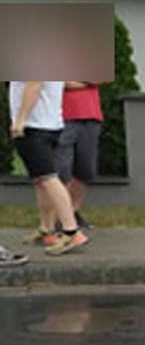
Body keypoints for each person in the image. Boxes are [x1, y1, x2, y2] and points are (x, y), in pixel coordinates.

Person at [10, 81, 88, 255]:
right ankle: (47, 229)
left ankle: (71, 231)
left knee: (48, 178)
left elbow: (34, 85)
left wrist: (20, 120)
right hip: (51, 124)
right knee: (41, 179)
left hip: (34, 125)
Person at [55, 80, 104, 229]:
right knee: (62, 169)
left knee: (85, 169)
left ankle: (72, 212)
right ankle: (61, 217)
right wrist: (88, 82)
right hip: (62, 116)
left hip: (91, 114)